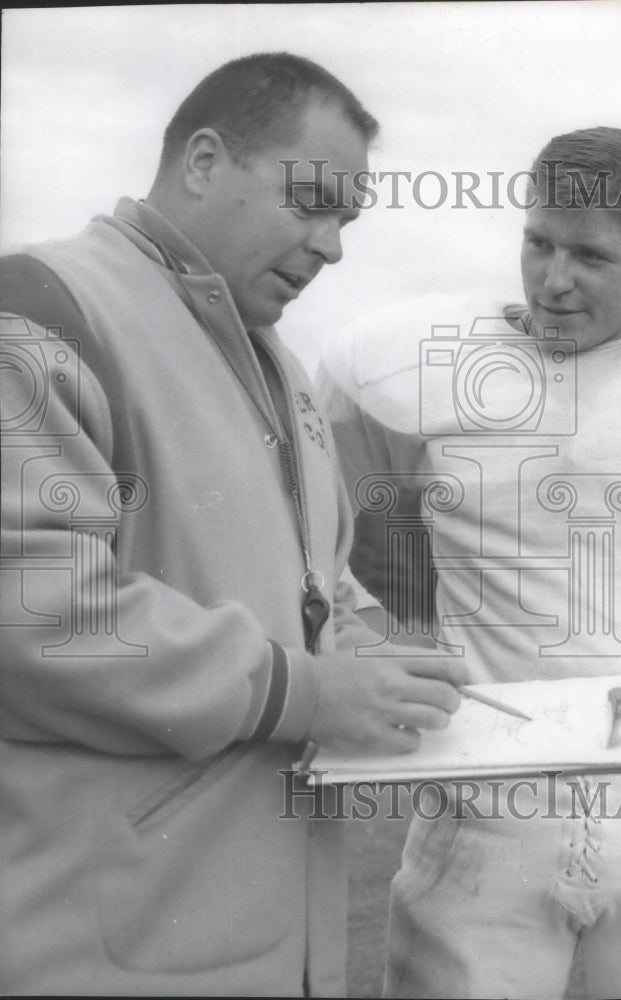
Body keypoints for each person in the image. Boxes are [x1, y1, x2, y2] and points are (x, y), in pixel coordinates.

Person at [0, 53, 466, 996]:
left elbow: (314, 583)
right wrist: (302, 693)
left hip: (272, 939)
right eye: (312, 204)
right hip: (106, 951)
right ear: (204, 161)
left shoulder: (280, 363)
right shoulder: (42, 305)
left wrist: (387, 663)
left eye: (347, 220)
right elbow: (34, 606)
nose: (333, 247)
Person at [318, 127, 621, 998]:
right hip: (479, 784)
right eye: (536, 243)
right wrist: (364, 638)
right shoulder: (415, 363)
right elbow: (309, 532)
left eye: (590, 256)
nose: (552, 279)